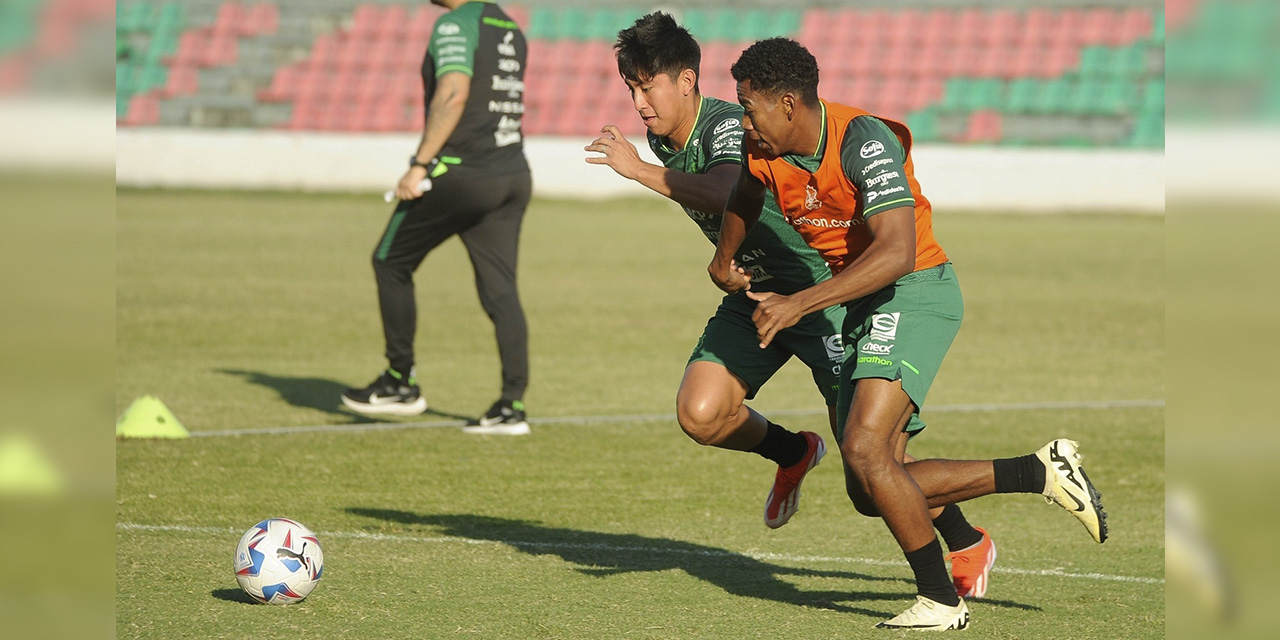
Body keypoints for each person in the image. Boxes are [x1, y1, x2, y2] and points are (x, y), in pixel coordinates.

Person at [586, 13, 997, 601]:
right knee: (701, 413)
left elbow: (732, 186)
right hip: (754, 297)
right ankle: (793, 451)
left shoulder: (731, 125)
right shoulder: (663, 137)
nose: (638, 102)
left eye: (646, 86)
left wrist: (642, 173)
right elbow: (741, 204)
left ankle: (964, 539)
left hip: (818, 295)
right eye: (630, 88)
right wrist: (724, 261)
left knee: (869, 468)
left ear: (686, 79)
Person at [710, 38, 1108, 630]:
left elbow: (897, 252)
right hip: (860, 300)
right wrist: (726, 254)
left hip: (915, 289)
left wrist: (800, 302)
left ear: (788, 103)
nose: (743, 120)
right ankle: (1039, 471)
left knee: (868, 450)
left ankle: (940, 600)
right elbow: (744, 193)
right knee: (871, 487)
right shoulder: (761, 147)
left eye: (749, 107)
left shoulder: (861, 140)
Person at [342, 0, 532, 436]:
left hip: (461, 173)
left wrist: (419, 164)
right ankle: (511, 405)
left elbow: (453, 92)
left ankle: (400, 382)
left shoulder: (455, 24)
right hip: (511, 174)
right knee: (501, 291)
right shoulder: (510, 27)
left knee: (390, 261)